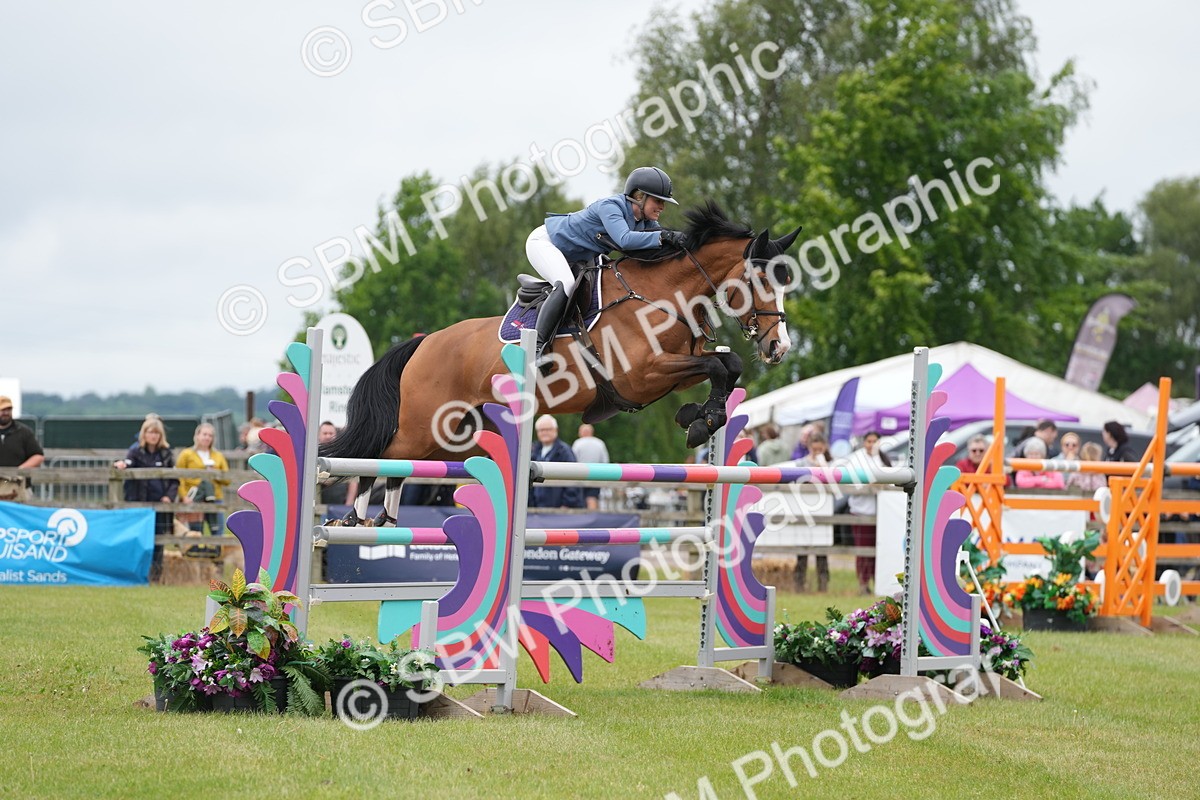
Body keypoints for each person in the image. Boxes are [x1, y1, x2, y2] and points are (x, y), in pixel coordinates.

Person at [526, 166, 681, 365]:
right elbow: (625, 240)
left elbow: (656, 242)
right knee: (566, 283)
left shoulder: (644, 221)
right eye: (658, 201)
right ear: (639, 196)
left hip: (577, 256)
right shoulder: (611, 206)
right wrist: (664, 236)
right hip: (545, 243)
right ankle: (536, 348)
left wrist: (682, 241)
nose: (662, 207)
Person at [115, 417, 178, 581]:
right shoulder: (135, 451)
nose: (154, 436)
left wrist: (169, 496)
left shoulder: (166, 453)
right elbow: (127, 463)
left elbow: (174, 478)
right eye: (151, 432)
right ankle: (134, 575)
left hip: (160, 504)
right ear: (144, 433)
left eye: (157, 432)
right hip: (139, 504)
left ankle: (156, 577)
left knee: (158, 542)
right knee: (138, 540)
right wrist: (121, 465)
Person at [848, 431, 891, 595]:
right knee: (863, 549)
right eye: (869, 441)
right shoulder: (856, 459)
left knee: (878, 549)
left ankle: (877, 581)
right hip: (861, 511)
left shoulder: (883, 458)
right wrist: (868, 487)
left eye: (875, 441)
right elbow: (850, 485)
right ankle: (863, 583)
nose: (872, 444)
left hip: (881, 512)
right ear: (864, 442)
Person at [176, 422, 231, 535]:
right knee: (196, 531)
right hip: (195, 497)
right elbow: (178, 476)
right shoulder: (186, 454)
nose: (207, 438)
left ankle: (216, 552)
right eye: (204, 434)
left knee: (217, 531)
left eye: (210, 435)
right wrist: (184, 496)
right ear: (197, 436)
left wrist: (215, 473)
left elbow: (227, 479)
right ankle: (197, 552)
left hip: (215, 497)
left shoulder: (218, 456)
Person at [796, 433, 832, 592]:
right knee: (801, 549)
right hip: (804, 508)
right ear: (809, 447)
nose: (817, 451)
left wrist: (823, 466)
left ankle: (823, 584)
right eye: (814, 448)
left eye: (820, 449)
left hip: (823, 509)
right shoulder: (801, 463)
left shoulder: (830, 463)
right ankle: (799, 583)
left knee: (822, 550)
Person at [528, 415, 584, 509]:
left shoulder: (564, 451)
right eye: (541, 430)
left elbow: (573, 478)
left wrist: (567, 504)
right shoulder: (534, 451)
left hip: (559, 509)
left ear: (556, 430)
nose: (544, 432)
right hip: (537, 509)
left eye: (548, 429)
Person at [0, 395, 44, 502]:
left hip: (18, 485)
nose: (6, 412)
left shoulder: (24, 432)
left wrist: (20, 470)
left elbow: (38, 456)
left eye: (8, 409)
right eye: (2, 409)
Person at [571, 423, 609, 511]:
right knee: (592, 498)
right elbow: (605, 461)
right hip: (596, 476)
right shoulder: (600, 443)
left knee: (580, 498)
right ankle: (592, 518)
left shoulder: (577, 443)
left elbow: (572, 460)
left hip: (580, 475)